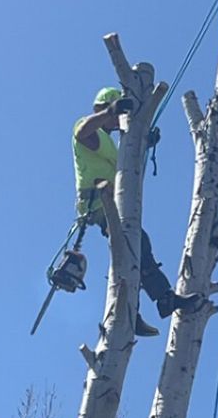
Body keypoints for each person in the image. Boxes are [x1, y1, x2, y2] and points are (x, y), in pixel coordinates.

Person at [72, 88, 203, 336]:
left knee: (138, 245)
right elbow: (82, 132)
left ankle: (155, 301)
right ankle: (136, 309)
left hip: (112, 202)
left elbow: (126, 161)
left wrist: (144, 143)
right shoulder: (89, 126)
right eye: (113, 113)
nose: (116, 120)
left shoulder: (112, 141)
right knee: (133, 245)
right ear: (104, 107)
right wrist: (110, 112)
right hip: (100, 204)